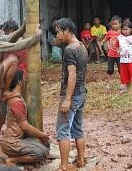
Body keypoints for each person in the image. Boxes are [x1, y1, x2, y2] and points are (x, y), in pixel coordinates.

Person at [0, 14, 42, 151]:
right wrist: (36, 37)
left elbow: (9, 38)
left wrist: (24, 28)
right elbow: (15, 45)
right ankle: (6, 91)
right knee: (12, 59)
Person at [54, 18, 88, 170]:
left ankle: (63, 166)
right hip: (82, 92)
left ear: (66, 31)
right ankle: (80, 160)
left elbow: (72, 74)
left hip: (72, 95)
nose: (57, 36)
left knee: (63, 130)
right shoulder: (81, 46)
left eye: (58, 32)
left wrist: (67, 98)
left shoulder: (69, 49)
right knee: (78, 128)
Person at [1, 69, 50, 165]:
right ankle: (13, 160)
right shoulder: (16, 102)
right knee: (42, 152)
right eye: (24, 77)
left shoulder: (15, 97)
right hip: (12, 143)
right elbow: (25, 126)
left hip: (13, 141)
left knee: (42, 146)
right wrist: (42, 135)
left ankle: (16, 157)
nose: (25, 80)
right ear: (19, 81)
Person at [115, 21, 132, 93]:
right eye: (123, 29)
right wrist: (118, 51)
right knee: (125, 75)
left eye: (127, 29)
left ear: (131, 29)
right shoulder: (119, 38)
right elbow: (117, 46)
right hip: (123, 60)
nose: (125, 31)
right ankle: (128, 89)